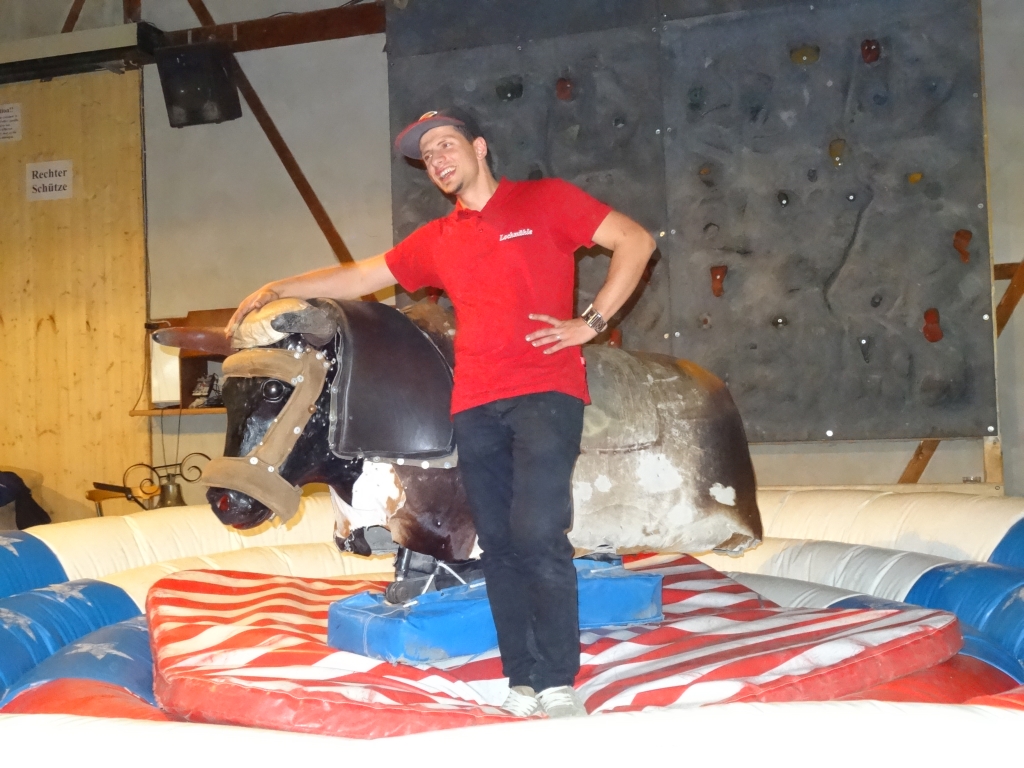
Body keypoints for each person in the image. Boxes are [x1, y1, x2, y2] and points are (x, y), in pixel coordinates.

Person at [226, 109, 656, 718]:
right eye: (427, 156)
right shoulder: (438, 238)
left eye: (446, 146)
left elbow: (636, 241)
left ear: (479, 147)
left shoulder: (546, 201)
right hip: (475, 403)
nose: (437, 161)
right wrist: (278, 288)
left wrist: (590, 323)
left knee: (538, 533)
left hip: (544, 392)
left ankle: (558, 680)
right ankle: (522, 679)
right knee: (497, 544)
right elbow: (362, 275)